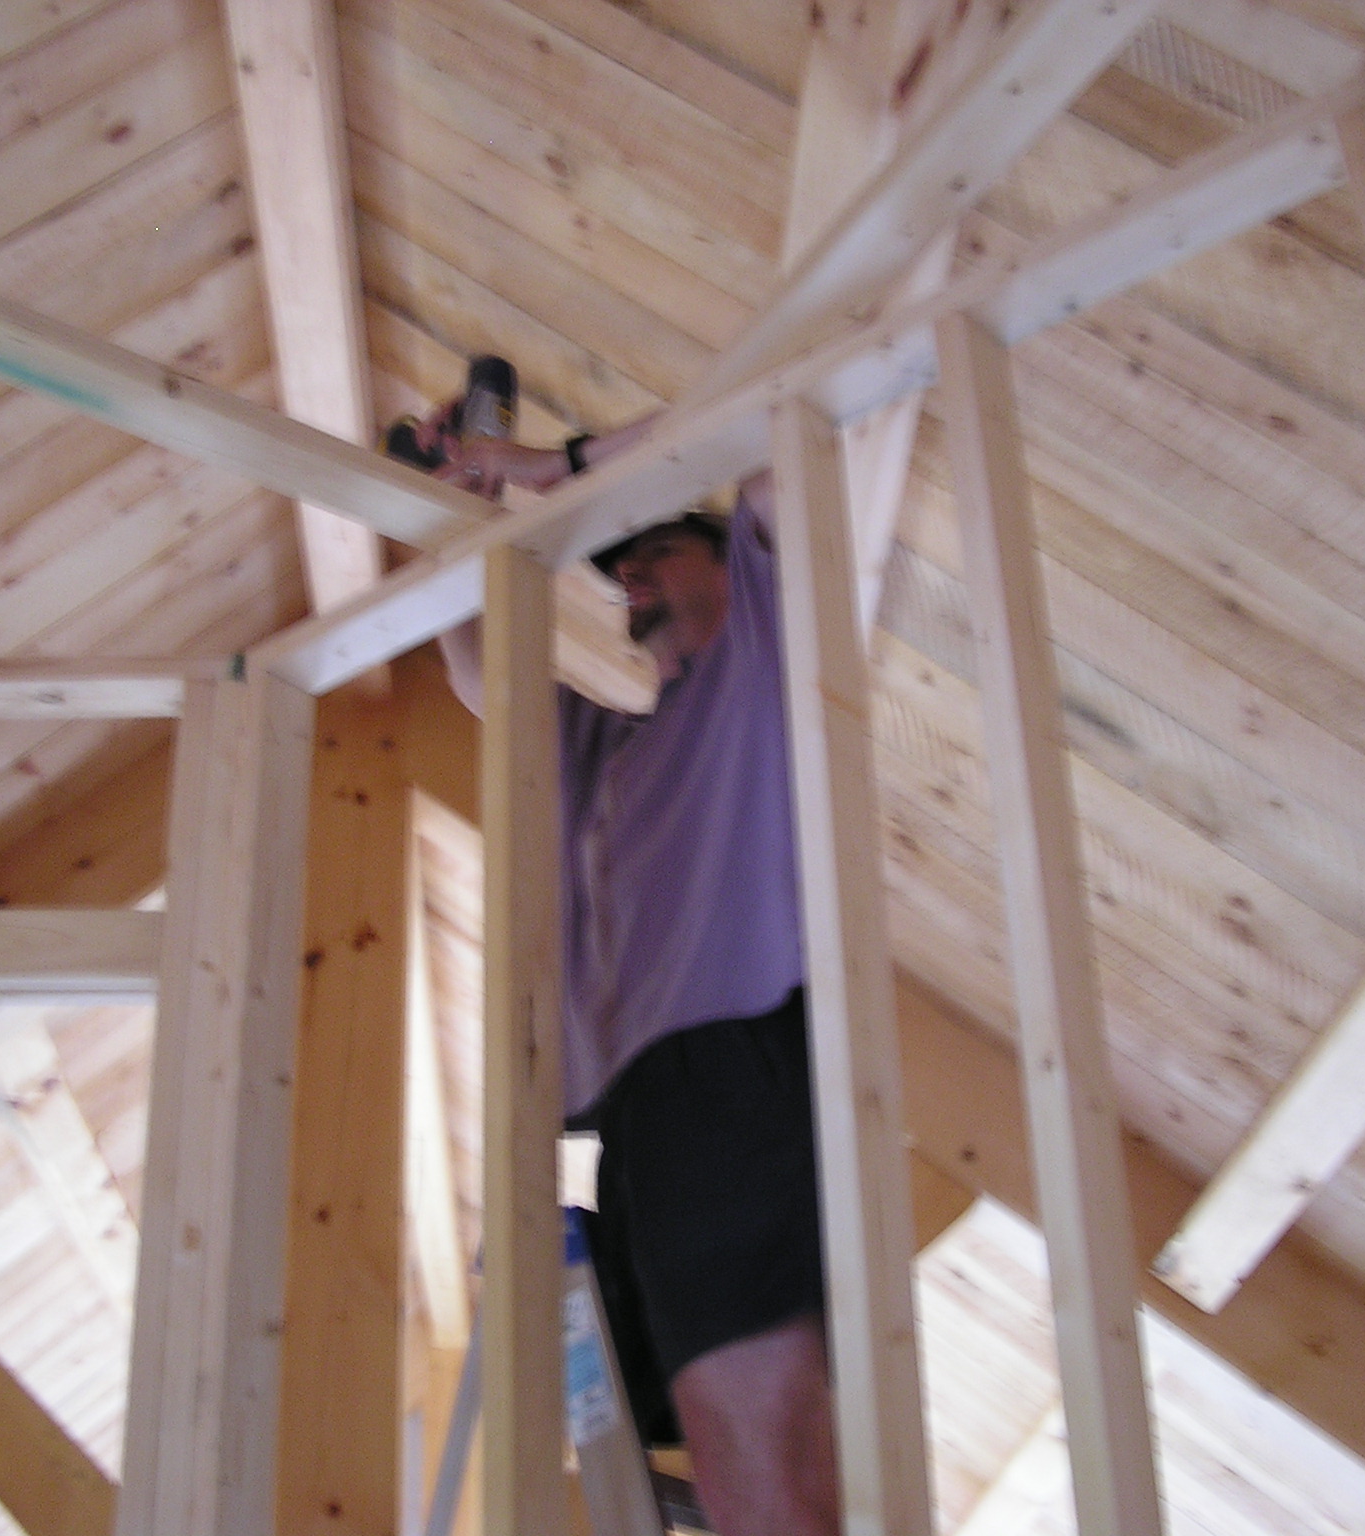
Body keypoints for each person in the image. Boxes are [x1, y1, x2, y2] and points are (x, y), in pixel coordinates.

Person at [431, 411, 841, 1536]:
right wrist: (455, 506)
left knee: (756, 1444)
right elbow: (476, 659)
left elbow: (768, 428)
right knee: (698, 1468)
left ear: (725, 564)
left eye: (656, 552)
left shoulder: (763, 667)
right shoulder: (596, 745)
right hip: (608, 1124)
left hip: (724, 1067)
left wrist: (552, 470)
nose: (631, 584)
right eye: (619, 572)